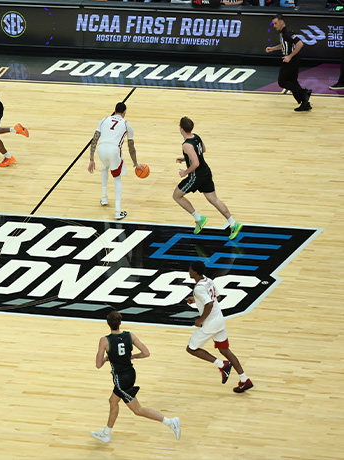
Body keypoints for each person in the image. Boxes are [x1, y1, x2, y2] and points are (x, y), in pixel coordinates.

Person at [90, 310, 181, 443]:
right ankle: (106, 433)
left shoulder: (105, 340)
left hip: (121, 379)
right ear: (120, 322)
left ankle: (170, 422)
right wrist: (133, 356)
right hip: (130, 373)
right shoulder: (129, 335)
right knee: (113, 401)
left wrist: (106, 358)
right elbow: (146, 353)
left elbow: (98, 365)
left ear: (108, 323)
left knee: (138, 410)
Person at [185, 260, 254, 393]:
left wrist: (200, 320)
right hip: (220, 321)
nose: (189, 271)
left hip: (210, 324)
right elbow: (218, 297)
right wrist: (196, 299)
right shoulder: (208, 281)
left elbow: (209, 304)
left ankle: (222, 364)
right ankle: (244, 379)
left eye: (190, 269)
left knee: (191, 348)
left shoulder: (199, 288)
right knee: (225, 351)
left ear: (195, 272)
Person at [173, 116, 243, 240]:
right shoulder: (196, 136)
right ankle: (233, 223)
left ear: (181, 129)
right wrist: (186, 158)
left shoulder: (186, 145)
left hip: (196, 176)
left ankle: (199, 218)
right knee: (214, 199)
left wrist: (185, 172)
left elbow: (195, 164)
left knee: (176, 195)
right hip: (206, 172)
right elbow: (203, 150)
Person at [87, 102, 143, 221]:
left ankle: (104, 197)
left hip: (101, 149)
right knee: (117, 178)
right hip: (114, 150)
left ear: (115, 110)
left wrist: (91, 159)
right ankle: (118, 211)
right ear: (124, 113)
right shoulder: (126, 124)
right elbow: (131, 147)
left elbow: (94, 139)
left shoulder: (103, 120)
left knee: (104, 167)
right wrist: (135, 162)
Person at [265, 14, 311, 112]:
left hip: (291, 60)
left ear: (282, 22)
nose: (274, 26)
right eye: (273, 24)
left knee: (282, 82)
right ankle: (305, 103)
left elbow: (300, 43)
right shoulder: (283, 33)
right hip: (291, 59)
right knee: (293, 81)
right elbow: (285, 44)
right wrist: (273, 48)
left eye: (276, 23)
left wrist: (290, 56)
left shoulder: (287, 32)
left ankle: (304, 93)